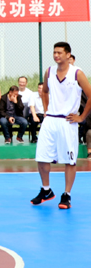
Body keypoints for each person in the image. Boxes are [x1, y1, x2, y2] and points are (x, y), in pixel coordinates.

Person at [32, 42, 91, 209]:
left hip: (68, 121)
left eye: (59, 52)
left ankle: (67, 194)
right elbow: (44, 91)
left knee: (69, 160)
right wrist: (46, 110)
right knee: (42, 157)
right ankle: (46, 190)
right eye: (54, 52)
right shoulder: (49, 71)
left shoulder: (77, 73)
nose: (56, 55)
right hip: (50, 120)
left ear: (68, 55)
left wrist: (81, 117)